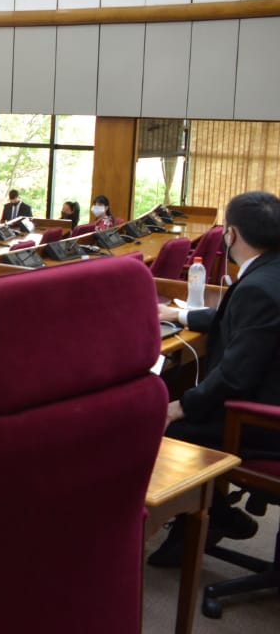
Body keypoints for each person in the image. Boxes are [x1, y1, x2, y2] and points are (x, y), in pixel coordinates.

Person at [148, 191, 280, 566]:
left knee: (166, 431)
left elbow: (235, 379)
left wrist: (180, 406)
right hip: (270, 397)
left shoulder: (258, 287)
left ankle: (211, 515)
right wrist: (180, 316)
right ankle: (201, 522)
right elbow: (244, 324)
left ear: (232, 234)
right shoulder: (271, 274)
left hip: (263, 420)